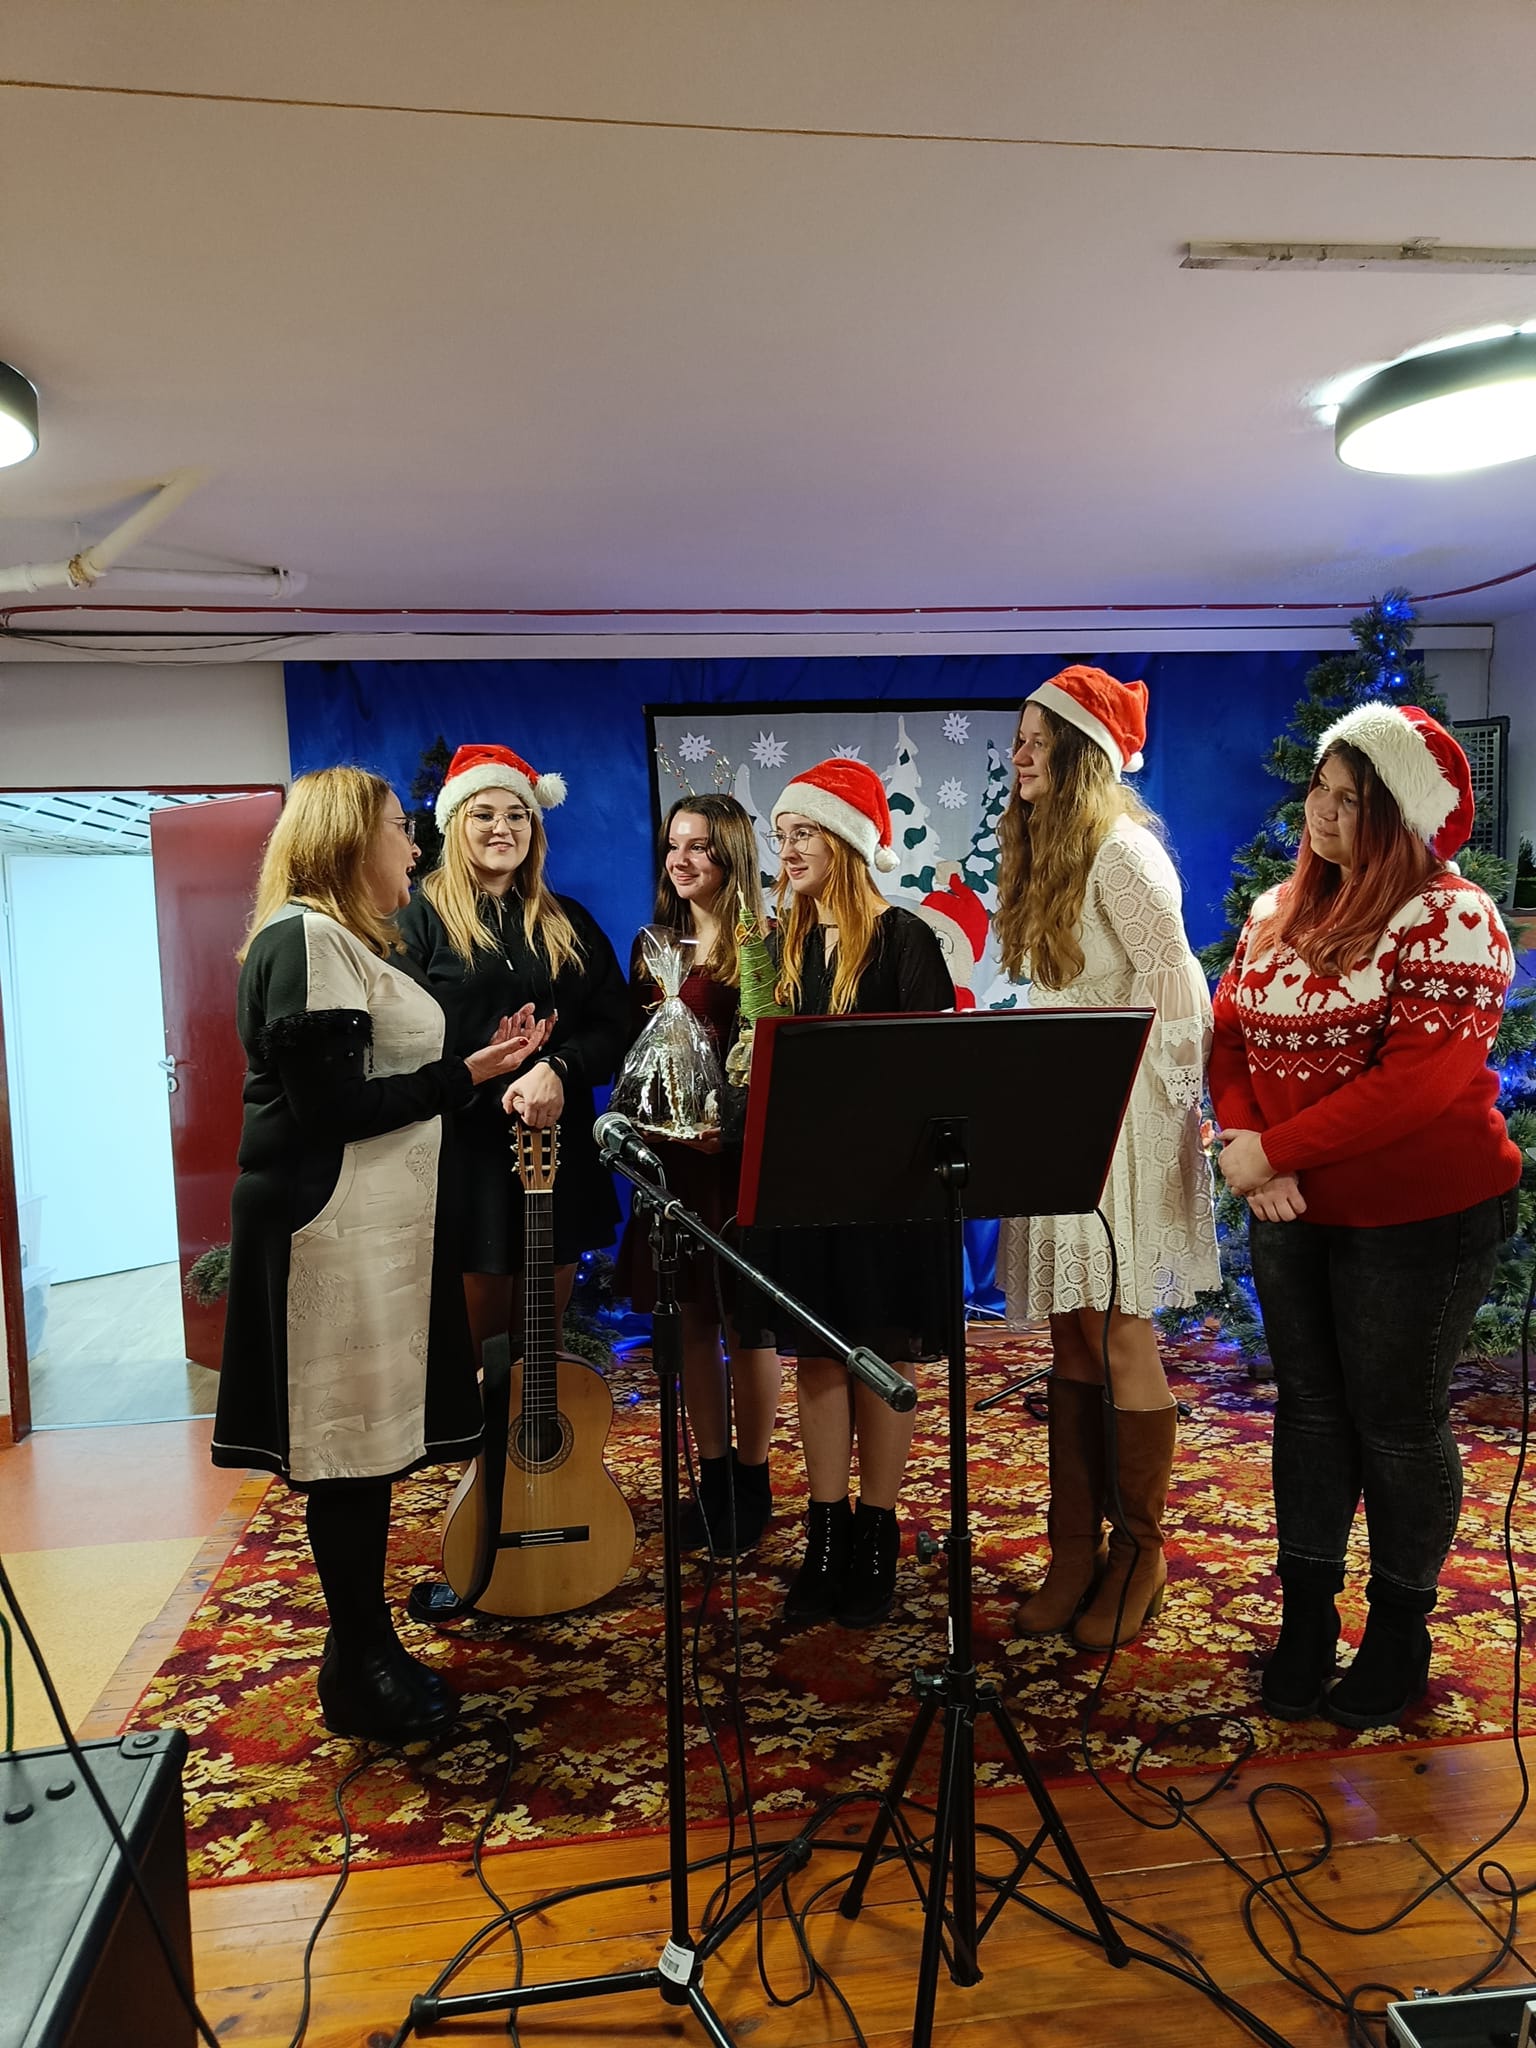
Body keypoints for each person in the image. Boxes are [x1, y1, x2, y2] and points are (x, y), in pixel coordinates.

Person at [211, 767, 549, 1742]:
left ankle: (365, 1650)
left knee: (360, 1455)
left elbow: (365, 1085)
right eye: (402, 829)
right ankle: (357, 1665)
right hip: (329, 1231)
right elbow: (333, 1111)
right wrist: (460, 1076)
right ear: (350, 839)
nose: (416, 846)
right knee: (344, 1456)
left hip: (367, 1235)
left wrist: (472, 1069)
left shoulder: (336, 939)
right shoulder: (307, 939)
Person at [1210, 703, 1520, 1729]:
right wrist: (1245, 1143)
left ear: (1400, 817)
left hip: (1418, 1213)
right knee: (1308, 1411)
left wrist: (1275, 1151)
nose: (1325, 812)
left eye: (1353, 799)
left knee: (1395, 1422)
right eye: (1321, 790)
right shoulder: (1277, 909)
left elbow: (1413, 1086)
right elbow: (1229, 1035)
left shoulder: (1453, 915)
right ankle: (1307, 1618)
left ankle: (1398, 1631)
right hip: (1291, 1204)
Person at [995, 666, 1218, 1649]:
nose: (1019, 753)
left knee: (1121, 1329)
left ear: (1084, 752)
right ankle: (1074, 1552)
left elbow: (1180, 994)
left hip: (1120, 1118)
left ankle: (1141, 1554)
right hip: (1059, 1107)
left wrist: (1158, 1127)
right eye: (1018, 737)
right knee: (1073, 1335)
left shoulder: (1125, 852)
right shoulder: (1049, 848)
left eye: (1038, 738)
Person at [739, 758, 954, 1629]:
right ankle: (824, 1535)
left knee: (881, 1354)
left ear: (848, 841)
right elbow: (757, 1056)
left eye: (805, 834)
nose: (789, 850)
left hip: (886, 1191)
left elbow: (932, 1063)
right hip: (805, 1186)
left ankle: (875, 1533)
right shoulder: (774, 946)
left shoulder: (904, 939)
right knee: (820, 1358)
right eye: (781, 835)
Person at [397, 743, 630, 1355]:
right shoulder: (416, 920)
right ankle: (481, 1427)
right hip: (464, 1156)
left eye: (517, 814)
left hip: (557, 1154)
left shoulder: (569, 921)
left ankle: (533, 1425)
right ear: (454, 823)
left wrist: (557, 1066)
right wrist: (477, 1068)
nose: (502, 827)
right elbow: (396, 1041)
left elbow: (616, 1025)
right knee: (481, 1353)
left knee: (540, 1346)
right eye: (484, 814)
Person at [613, 794, 784, 1553]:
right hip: (673, 1161)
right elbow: (640, 1050)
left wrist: (735, 1129)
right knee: (688, 1321)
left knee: (747, 1324)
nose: (681, 861)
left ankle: (753, 1478)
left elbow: (770, 1049)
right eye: (673, 846)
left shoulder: (762, 942)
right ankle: (710, 1475)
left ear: (732, 854)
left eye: (699, 847)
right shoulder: (653, 944)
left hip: (736, 1161)